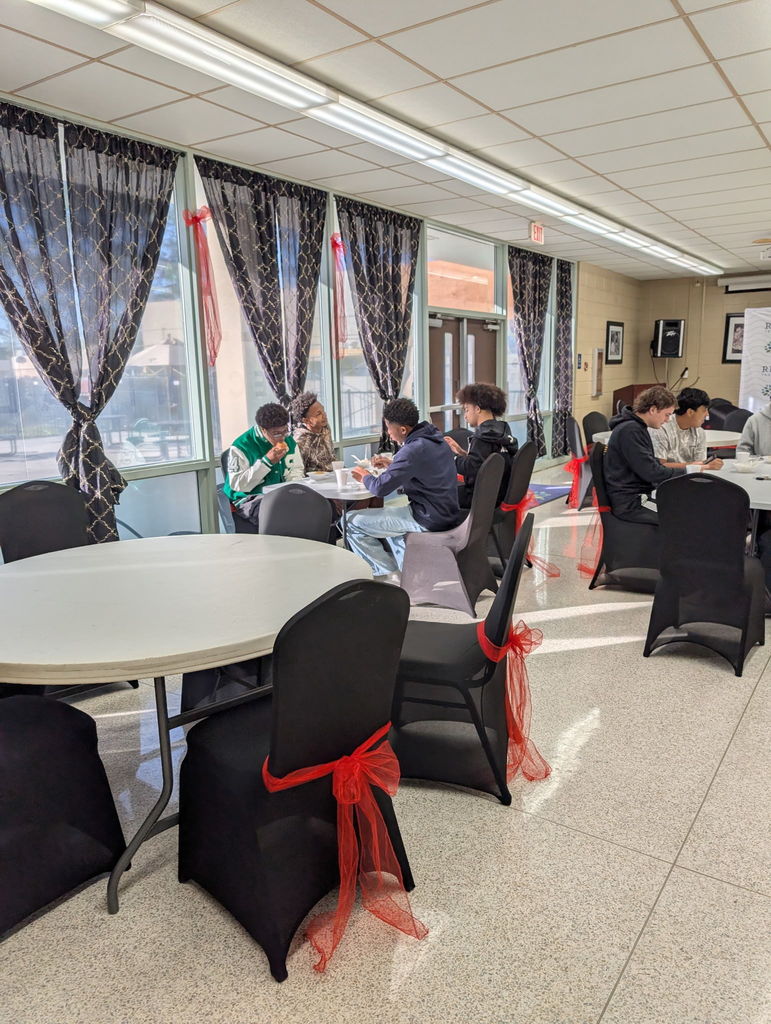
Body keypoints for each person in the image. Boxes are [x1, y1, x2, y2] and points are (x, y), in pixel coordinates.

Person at [347, 398, 459, 576]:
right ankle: (404, 574)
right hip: (446, 511)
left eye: (388, 427)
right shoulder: (434, 439)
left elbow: (379, 488)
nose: (388, 433)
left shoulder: (412, 449)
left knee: (349, 521)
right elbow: (424, 468)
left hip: (428, 518)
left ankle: (387, 574)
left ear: (402, 429)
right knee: (390, 517)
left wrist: (365, 475)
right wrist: (393, 464)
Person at [605, 385, 714, 525]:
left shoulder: (636, 427)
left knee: (691, 507)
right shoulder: (631, 431)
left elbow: (651, 466)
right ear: (653, 410)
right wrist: (689, 469)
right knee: (686, 516)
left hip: (637, 496)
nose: (668, 420)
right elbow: (652, 472)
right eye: (667, 414)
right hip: (631, 502)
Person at [223, 402, 304, 528]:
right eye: (276, 433)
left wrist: (295, 489)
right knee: (280, 511)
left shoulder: (288, 441)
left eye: (285, 431)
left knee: (314, 505)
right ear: (263, 429)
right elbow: (238, 484)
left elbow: (296, 469)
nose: (282, 438)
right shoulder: (242, 446)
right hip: (249, 499)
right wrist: (266, 462)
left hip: (281, 494)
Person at [444, 382, 518, 508]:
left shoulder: (482, 436)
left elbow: (472, 468)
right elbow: (486, 462)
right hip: (500, 493)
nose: (465, 416)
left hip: (480, 497)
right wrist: (461, 452)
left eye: (467, 410)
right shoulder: (503, 430)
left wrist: (451, 458)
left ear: (477, 409)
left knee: (437, 495)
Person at [650, 386, 723, 471]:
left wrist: (706, 465)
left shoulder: (699, 432)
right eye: (704, 410)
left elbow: (700, 463)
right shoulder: (661, 427)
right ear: (690, 412)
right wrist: (692, 465)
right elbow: (660, 466)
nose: (707, 415)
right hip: (666, 479)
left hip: (691, 478)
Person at [290, 391, 334, 472]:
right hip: (315, 481)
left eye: (323, 411)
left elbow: (331, 455)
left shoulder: (325, 427)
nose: (324, 415)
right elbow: (299, 471)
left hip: (333, 473)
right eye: (318, 414)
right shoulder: (301, 440)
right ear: (307, 420)